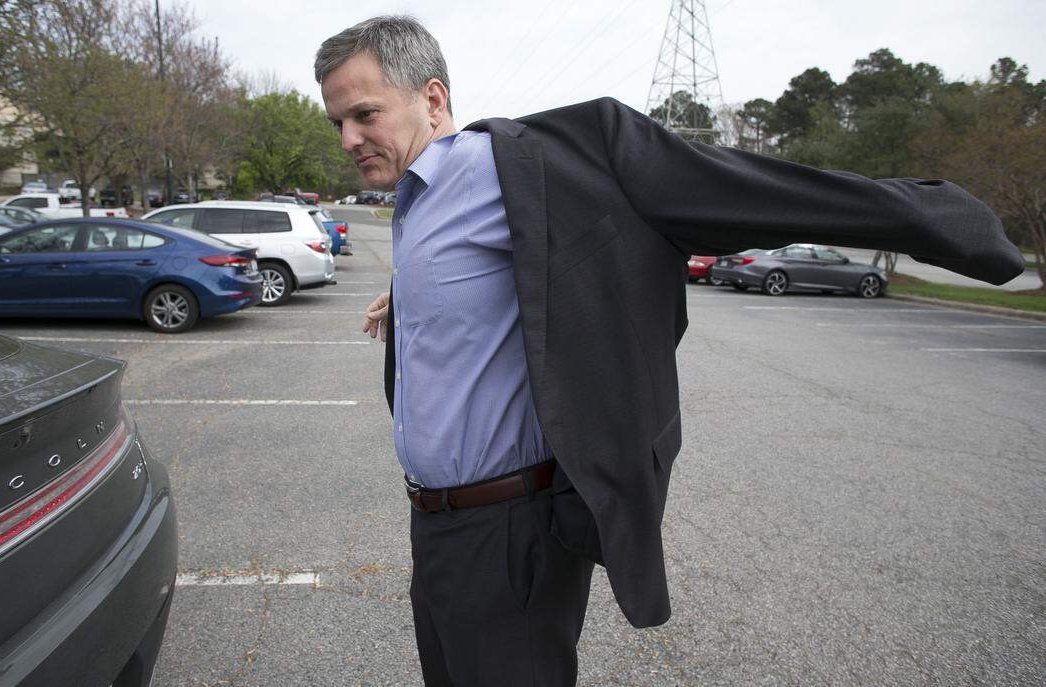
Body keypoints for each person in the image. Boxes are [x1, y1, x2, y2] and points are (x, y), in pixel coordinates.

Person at [314, 16, 1024, 687]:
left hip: (510, 537)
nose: (348, 138)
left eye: (365, 114)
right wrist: (407, 302)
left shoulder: (527, 168)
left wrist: (933, 221)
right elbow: (501, 286)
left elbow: (737, 191)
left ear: (432, 98)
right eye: (337, 122)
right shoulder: (413, 200)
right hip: (432, 526)